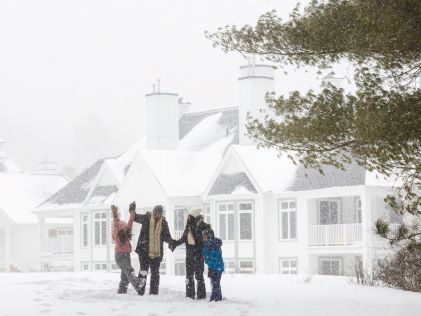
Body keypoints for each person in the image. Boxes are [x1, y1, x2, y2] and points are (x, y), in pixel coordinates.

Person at [132, 202, 174, 295]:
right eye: (155, 212)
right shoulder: (146, 218)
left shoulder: (163, 223)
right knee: (143, 272)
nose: (156, 214)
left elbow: (167, 236)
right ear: (153, 211)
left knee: (155, 274)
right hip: (144, 251)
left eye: (158, 213)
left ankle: (154, 293)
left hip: (156, 253)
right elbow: (134, 217)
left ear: (161, 213)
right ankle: (140, 291)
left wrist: (172, 243)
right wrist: (132, 210)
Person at [170, 208, 207, 299]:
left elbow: (204, 240)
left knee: (199, 276)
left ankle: (201, 296)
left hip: (198, 255)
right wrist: (173, 243)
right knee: (189, 276)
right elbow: (182, 239)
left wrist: (197, 230)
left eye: (189, 216)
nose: (187, 218)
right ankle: (190, 295)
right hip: (190, 256)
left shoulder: (203, 227)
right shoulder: (188, 227)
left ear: (194, 217)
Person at [111, 204, 145, 294]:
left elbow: (130, 222)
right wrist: (114, 214)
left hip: (126, 255)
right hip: (120, 256)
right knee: (129, 271)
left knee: (125, 277)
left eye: (126, 229)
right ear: (120, 229)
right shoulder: (117, 233)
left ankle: (122, 292)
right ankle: (137, 284)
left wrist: (132, 212)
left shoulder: (126, 232)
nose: (126, 230)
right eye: (124, 228)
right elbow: (116, 223)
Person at [202, 226, 224, 302]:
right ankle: (218, 297)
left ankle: (215, 298)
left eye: (205, 235)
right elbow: (206, 255)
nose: (203, 237)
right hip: (214, 267)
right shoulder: (207, 244)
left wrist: (210, 266)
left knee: (215, 283)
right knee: (215, 282)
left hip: (216, 267)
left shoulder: (214, 245)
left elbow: (214, 257)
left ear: (209, 235)